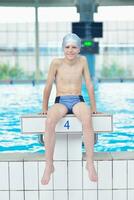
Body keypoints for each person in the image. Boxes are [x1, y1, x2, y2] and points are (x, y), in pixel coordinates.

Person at [41, 33, 98, 185]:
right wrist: (44, 108)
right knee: (49, 121)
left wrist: (94, 107)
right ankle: (49, 165)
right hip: (61, 100)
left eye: (74, 47)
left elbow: (89, 84)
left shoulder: (83, 61)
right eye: (67, 47)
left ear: (79, 49)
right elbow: (47, 86)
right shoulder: (56, 63)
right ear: (63, 48)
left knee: (87, 118)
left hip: (77, 99)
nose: (70, 50)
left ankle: (90, 162)